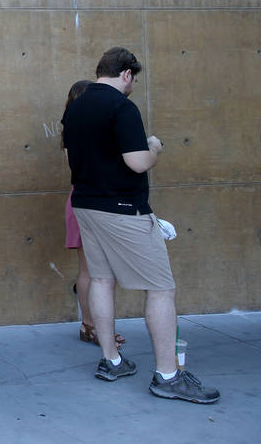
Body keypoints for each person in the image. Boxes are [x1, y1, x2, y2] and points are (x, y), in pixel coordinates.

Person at [63, 47, 219, 403]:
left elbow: (74, 156)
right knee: (161, 288)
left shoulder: (76, 107)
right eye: (134, 79)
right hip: (123, 209)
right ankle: (167, 375)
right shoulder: (122, 107)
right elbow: (137, 162)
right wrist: (154, 147)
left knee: (101, 280)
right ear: (127, 74)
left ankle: (111, 360)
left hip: (86, 205)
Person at [62, 80, 125, 351]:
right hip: (88, 201)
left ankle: (95, 325)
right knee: (92, 270)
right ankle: (91, 326)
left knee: (96, 270)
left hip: (87, 200)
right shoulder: (81, 134)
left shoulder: (74, 132)